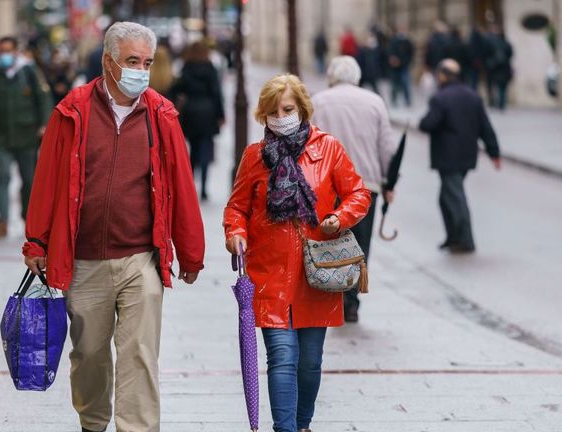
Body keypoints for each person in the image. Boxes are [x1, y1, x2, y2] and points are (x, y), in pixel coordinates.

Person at [22, 22, 205, 432]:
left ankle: (137, 427)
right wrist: (36, 241)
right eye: (132, 61)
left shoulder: (161, 114)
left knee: (140, 352)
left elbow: (181, 185)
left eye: (147, 62)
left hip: (141, 256)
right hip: (83, 258)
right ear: (108, 61)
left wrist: (191, 252)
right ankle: (93, 421)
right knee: (89, 355)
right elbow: (47, 179)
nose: (141, 70)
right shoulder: (72, 110)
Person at [224, 74, 370, 432]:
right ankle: (285, 429)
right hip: (269, 273)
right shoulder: (255, 156)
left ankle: (302, 424)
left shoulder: (328, 148)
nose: (280, 116)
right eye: (272, 111)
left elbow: (359, 194)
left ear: (302, 109)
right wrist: (236, 234)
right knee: (282, 358)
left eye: (287, 109)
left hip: (316, 272)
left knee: (310, 363)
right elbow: (236, 208)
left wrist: (340, 216)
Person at [311, 56, 398, 323]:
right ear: (357, 77)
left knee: (329, 240)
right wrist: (388, 183)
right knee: (360, 244)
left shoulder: (318, 101)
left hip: (326, 184)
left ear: (332, 76)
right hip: (365, 184)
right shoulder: (374, 102)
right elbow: (387, 147)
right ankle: (351, 301)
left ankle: (332, 296)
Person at [0, 36, 52, 239]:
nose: (5, 55)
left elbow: (43, 99)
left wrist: (44, 125)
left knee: (28, 181)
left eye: (8, 50)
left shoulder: (28, 71)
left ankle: (27, 219)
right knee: (3, 177)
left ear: (16, 51)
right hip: (1, 136)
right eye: (2, 51)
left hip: (27, 136)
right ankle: (3, 222)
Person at [419, 59, 501, 253]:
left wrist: (424, 120)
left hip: (448, 157)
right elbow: (485, 127)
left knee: (455, 196)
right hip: (466, 156)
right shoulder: (472, 95)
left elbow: (428, 124)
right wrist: (493, 152)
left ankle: (466, 239)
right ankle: (453, 237)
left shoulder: (441, 98)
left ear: (442, 75)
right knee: (446, 196)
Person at [169, 41, 225, 201]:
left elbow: (176, 89)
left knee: (193, 150)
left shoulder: (187, 67)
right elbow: (216, 93)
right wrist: (220, 115)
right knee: (206, 150)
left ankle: (191, 185)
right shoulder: (210, 68)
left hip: (191, 111)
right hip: (208, 112)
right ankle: (204, 189)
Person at [485, 25, 514, 110]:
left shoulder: (494, 44)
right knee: (503, 88)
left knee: (499, 87)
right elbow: (511, 54)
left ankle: (500, 103)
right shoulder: (507, 44)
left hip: (498, 69)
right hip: (504, 68)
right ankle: (502, 103)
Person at [387, 26, 414, 107]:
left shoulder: (408, 42)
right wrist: (393, 60)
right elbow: (390, 52)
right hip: (395, 68)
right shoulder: (394, 41)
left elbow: (410, 54)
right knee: (394, 85)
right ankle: (394, 100)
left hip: (404, 66)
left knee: (406, 84)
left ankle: (407, 101)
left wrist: (403, 62)